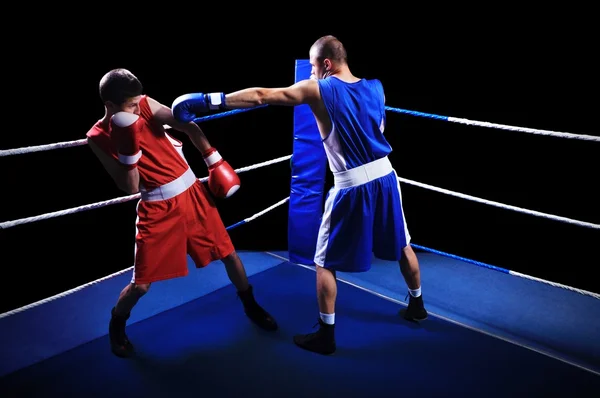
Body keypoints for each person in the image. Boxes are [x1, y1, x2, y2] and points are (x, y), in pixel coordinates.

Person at [170, 35, 428, 356]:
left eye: (313, 66)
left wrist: (210, 101)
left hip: (352, 184)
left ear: (326, 65)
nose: (310, 73)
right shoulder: (375, 86)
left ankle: (326, 335)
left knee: (323, 262)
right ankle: (417, 305)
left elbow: (263, 95)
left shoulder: (317, 89)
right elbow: (380, 128)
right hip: (387, 176)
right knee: (401, 243)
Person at [85, 68, 278, 358]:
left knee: (228, 254)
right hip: (157, 207)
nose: (138, 109)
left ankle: (251, 304)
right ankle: (117, 323)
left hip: (192, 195)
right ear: (110, 106)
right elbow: (129, 187)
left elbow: (187, 125)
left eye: (138, 102)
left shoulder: (147, 104)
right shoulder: (97, 137)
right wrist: (129, 151)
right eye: (130, 106)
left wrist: (213, 160)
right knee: (141, 285)